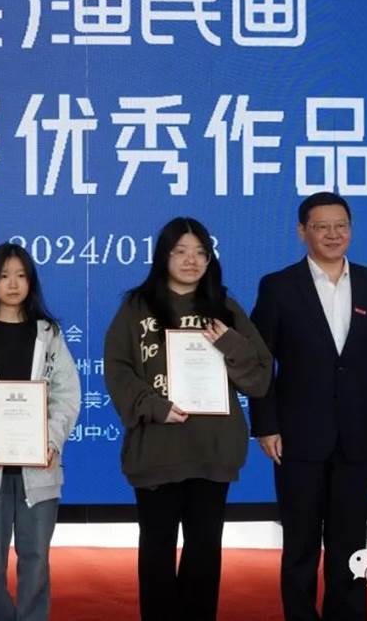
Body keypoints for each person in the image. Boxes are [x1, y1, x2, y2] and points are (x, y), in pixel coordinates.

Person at [104, 217, 272, 621]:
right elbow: (118, 369)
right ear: (163, 256)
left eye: (200, 252)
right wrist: (153, 405)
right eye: (180, 251)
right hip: (158, 449)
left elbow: (260, 376)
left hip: (212, 448)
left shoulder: (225, 309)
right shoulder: (136, 307)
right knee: (157, 550)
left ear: (210, 259)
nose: (191, 260)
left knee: (204, 551)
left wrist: (229, 342)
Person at [249, 192, 367, 621]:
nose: (333, 234)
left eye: (341, 226)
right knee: (300, 543)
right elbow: (261, 363)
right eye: (321, 227)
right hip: (297, 436)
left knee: (350, 543)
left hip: (358, 433)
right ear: (302, 231)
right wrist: (265, 424)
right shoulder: (278, 286)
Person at [0, 242, 82, 621]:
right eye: (4, 276)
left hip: (39, 466)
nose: (12, 284)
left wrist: (51, 440)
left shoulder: (48, 335)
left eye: (21, 276)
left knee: (36, 559)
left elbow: (67, 394)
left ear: (31, 282)